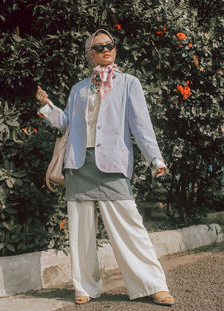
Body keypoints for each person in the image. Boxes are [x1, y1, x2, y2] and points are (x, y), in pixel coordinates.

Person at [36, 28, 174, 306]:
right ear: (91, 54)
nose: (106, 49)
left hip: (112, 164)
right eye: (99, 47)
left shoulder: (129, 84)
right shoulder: (79, 89)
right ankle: (85, 285)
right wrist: (48, 106)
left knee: (130, 227)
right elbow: (67, 124)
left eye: (110, 45)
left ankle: (154, 284)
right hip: (79, 165)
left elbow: (141, 125)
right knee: (81, 232)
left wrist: (154, 158)